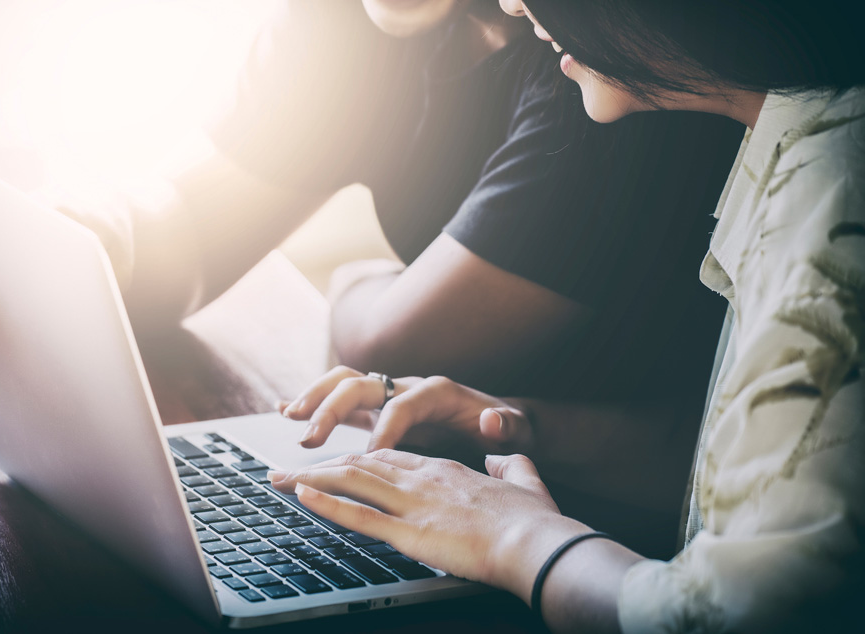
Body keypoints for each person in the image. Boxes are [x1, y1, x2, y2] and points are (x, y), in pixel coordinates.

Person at [59, 0, 742, 557]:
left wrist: (361, 281)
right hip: (491, 458)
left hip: (629, 509)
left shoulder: (597, 65)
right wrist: (92, 228)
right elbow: (196, 235)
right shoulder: (343, 24)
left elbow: (395, 348)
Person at [267, 1, 865, 631]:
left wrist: (512, 537)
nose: (510, 3)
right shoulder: (795, 134)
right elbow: (744, 474)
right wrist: (519, 427)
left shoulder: (833, 204)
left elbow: (732, 617)